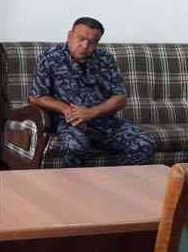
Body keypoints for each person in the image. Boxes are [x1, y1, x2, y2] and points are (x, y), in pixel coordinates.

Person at [29, 17, 155, 168]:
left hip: (104, 121)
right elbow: (36, 97)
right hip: (69, 122)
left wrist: (91, 112)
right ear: (70, 35)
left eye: (92, 42)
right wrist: (69, 111)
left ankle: (113, 180)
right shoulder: (50, 58)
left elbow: (120, 98)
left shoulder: (105, 59)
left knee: (145, 144)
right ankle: (73, 183)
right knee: (75, 147)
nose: (85, 46)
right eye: (81, 39)